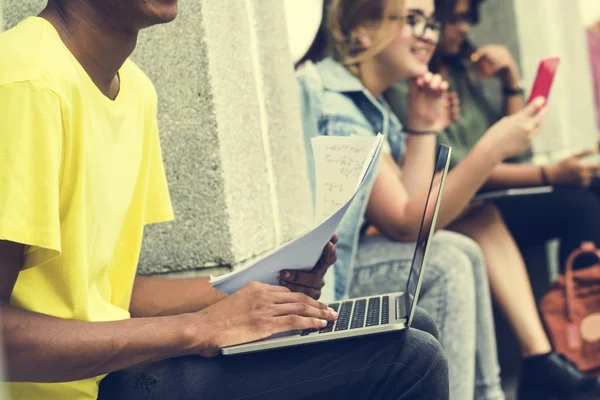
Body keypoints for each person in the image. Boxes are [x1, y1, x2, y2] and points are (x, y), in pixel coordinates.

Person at [0, 1, 450, 399]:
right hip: (64, 388)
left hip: (111, 369)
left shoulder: (134, 90)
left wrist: (265, 290)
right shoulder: (24, 84)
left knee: (415, 327)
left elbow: (113, 291)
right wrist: (200, 327)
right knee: (408, 360)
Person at [296, 0, 552, 398]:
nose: (428, 34)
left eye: (431, 23)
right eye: (410, 19)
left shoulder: (370, 103)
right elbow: (406, 221)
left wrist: (422, 126)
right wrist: (492, 147)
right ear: (360, 30)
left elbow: (410, 211)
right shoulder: (337, 103)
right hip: (319, 285)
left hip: (336, 267)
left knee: (461, 250)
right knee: (447, 261)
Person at [386, 0, 600, 397]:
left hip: (472, 194)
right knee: (578, 204)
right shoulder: (409, 83)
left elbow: (508, 149)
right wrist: (547, 174)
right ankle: (570, 342)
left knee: (590, 189)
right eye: (452, 19)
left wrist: (510, 81)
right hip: (465, 195)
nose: (453, 31)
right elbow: (453, 173)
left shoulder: (461, 74)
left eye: (435, 23)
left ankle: (564, 349)